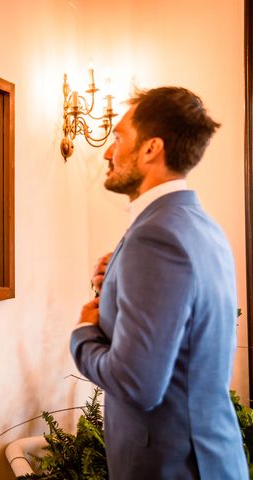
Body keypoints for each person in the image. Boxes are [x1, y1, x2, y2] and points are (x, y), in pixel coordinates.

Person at [70, 87, 248, 479]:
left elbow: (137, 384)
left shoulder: (155, 236)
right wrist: (116, 276)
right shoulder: (200, 224)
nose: (106, 152)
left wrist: (83, 334)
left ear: (151, 148)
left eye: (117, 138)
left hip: (173, 466)